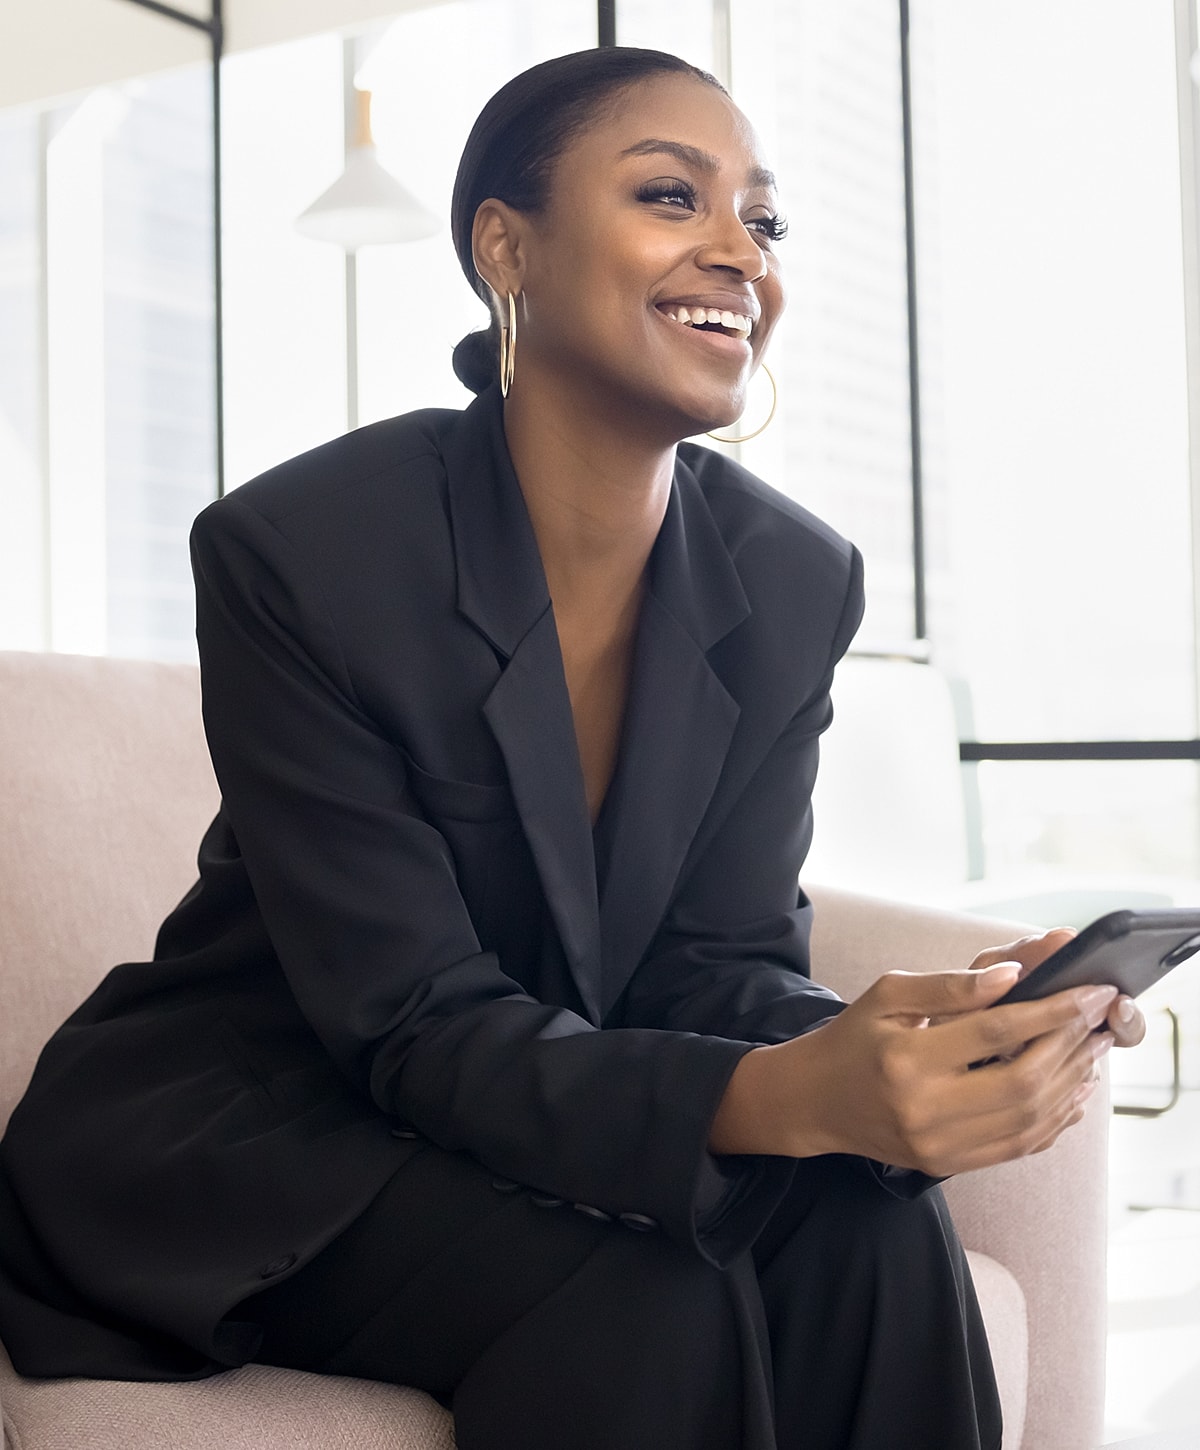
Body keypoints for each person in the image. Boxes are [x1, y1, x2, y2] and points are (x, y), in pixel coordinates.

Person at [0, 46, 1144, 1450]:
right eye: (674, 196)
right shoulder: (304, 553)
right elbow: (409, 1022)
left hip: (545, 1095)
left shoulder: (792, 579)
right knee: (645, 1295)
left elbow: (712, 963)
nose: (741, 251)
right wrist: (783, 1089)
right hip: (283, 1120)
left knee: (871, 1221)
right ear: (506, 246)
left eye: (765, 220)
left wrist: (904, 1039)